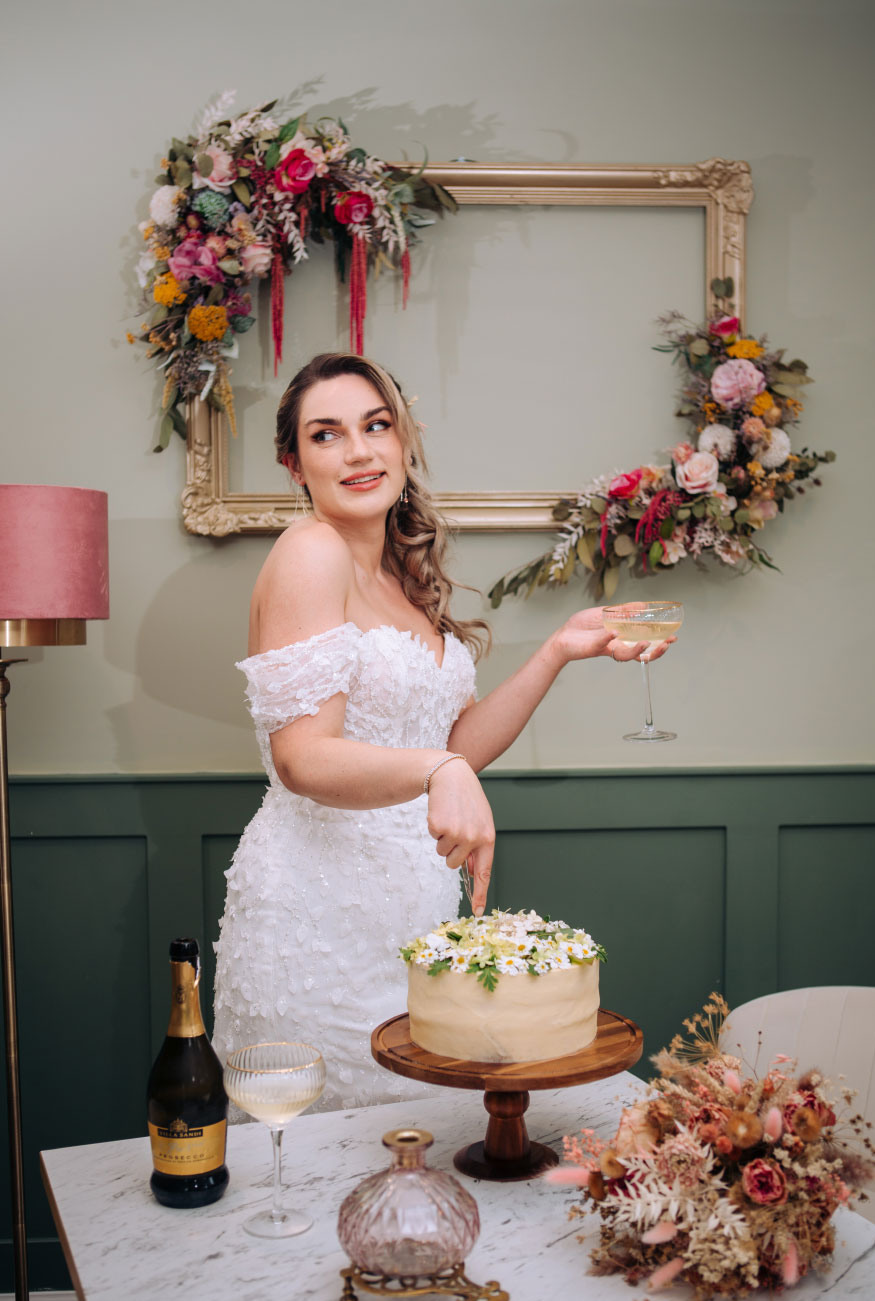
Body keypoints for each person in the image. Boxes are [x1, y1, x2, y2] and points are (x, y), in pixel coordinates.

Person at [211, 352, 675, 1111]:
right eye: (326, 436)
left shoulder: (397, 572)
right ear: (293, 464)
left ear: (404, 441)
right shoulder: (310, 551)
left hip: (411, 912)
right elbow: (300, 758)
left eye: (376, 425)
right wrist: (439, 772)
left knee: (409, 1167)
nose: (359, 451)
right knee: (329, 1161)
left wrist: (560, 647)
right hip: (314, 924)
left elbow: (448, 748)